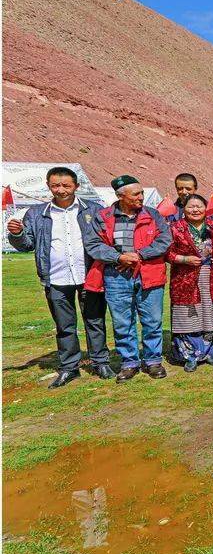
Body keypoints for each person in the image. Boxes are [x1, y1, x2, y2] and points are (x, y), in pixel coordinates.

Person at [6, 166, 112, 388]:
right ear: (48, 186)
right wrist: (17, 234)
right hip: (55, 278)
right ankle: (69, 368)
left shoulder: (92, 210)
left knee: (95, 320)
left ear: (76, 186)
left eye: (66, 185)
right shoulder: (36, 213)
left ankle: (100, 361)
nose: (61, 190)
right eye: (55, 185)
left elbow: (104, 240)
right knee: (65, 326)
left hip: (88, 276)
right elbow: (27, 245)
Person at [83, 175, 172, 382]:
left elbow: (165, 239)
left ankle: (153, 361)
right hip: (116, 276)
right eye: (136, 194)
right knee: (123, 322)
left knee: (152, 320)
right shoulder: (103, 217)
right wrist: (118, 257)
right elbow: (93, 244)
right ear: (120, 196)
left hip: (149, 273)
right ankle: (129, 362)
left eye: (142, 193)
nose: (141, 197)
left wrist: (139, 255)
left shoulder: (153, 215)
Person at [166, 195, 213, 372]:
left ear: (205, 208)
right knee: (188, 315)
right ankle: (190, 354)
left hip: (211, 276)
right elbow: (166, 253)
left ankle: (209, 351)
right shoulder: (175, 228)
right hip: (185, 278)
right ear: (183, 209)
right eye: (191, 207)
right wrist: (184, 259)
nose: (195, 210)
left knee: (210, 313)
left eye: (199, 206)